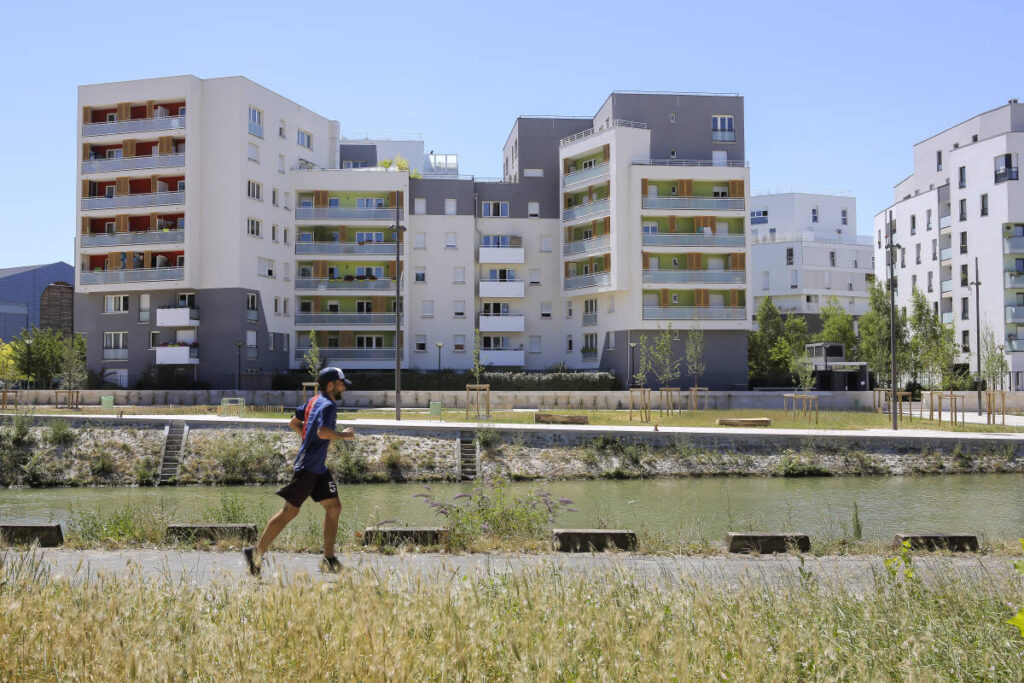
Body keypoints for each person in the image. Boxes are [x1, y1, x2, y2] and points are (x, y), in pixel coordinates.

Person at [243, 367, 354, 576]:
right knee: (289, 512)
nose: (343, 389)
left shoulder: (313, 401)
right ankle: (255, 555)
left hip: (318, 468)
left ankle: (329, 560)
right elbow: (322, 432)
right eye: (341, 384)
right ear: (331, 385)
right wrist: (344, 436)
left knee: (334, 507)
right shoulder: (329, 405)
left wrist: (308, 436)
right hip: (308, 468)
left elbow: (293, 422)